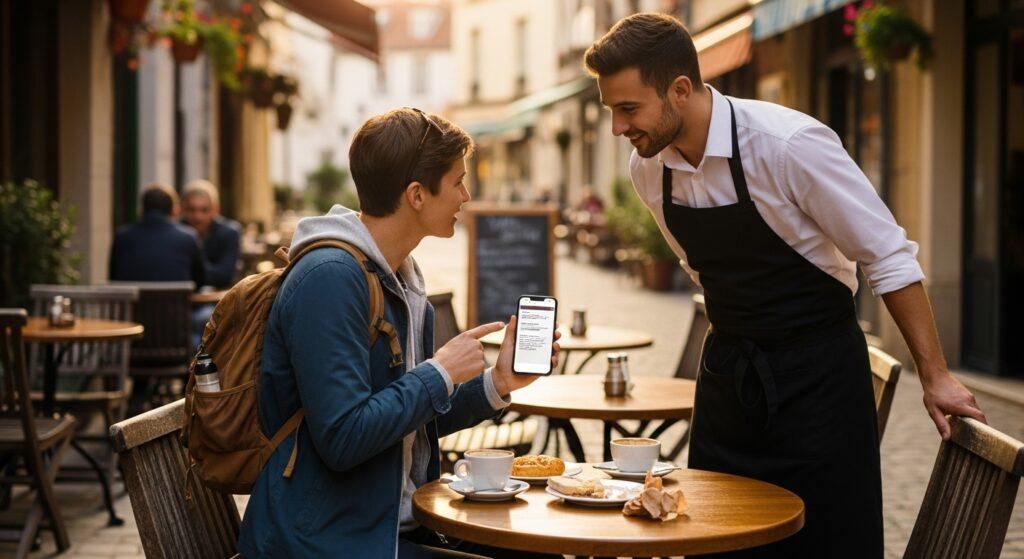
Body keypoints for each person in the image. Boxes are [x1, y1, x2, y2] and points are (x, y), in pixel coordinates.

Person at [584, 14, 986, 558]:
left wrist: (935, 376)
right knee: (714, 540)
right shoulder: (649, 169)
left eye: (629, 109)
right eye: (613, 110)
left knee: (829, 541)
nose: (618, 127)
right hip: (729, 385)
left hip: (820, 385)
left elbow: (887, 255)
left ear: (680, 89)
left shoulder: (787, 145)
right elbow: (699, 268)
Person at [237, 108, 561, 559]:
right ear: (416, 195)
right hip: (328, 541)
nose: (466, 196)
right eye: (457, 182)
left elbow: (407, 423)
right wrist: (439, 372)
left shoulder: (397, 277)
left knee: (537, 548)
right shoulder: (330, 279)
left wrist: (497, 383)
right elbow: (344, 438)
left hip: (385, 525)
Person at [109, 183, 205, 287]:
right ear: (173, 210)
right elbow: (201, 281)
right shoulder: (188, 238)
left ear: (142, 210)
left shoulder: (121, 237)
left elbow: (113, 278)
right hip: (175, 303)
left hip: (134, 303)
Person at [180, 179, 242, 289]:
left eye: (204, 210)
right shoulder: (176, 231)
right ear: (182, 209)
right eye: (191, 209)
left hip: (215, 300)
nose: (197, 217)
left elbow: (224, 276)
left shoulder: (229, 232)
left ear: (215, 209)